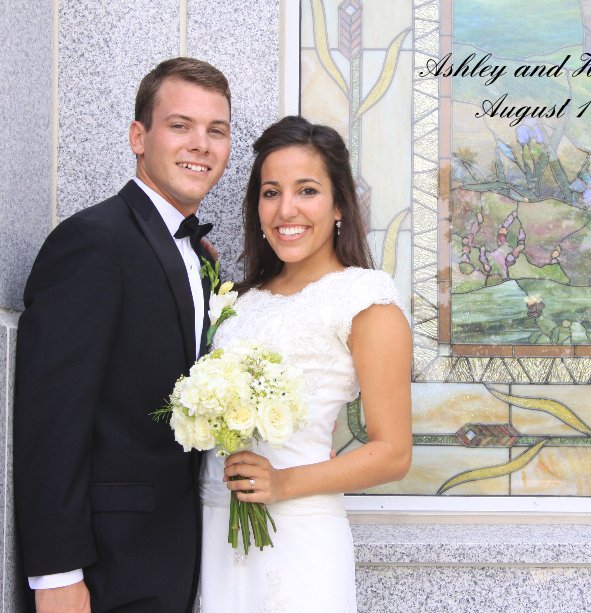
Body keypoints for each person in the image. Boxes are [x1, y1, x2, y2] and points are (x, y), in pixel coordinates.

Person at [14, 57, 231, 612]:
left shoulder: (202, 257)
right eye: (180, 126)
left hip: (183, 559)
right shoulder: (92, 241)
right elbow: (51, 418)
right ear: (139, 136)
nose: (200, 145)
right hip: (107, 568)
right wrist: (55, 573)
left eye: (216, 131)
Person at [198, 116, 413, 612]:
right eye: (270, 192)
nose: (285, 209)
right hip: (215, 533)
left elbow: (393, 452)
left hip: (298, 537)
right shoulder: (239, 302)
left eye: (307, 190)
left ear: (339, 204)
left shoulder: (366, 301)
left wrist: (282, 483)